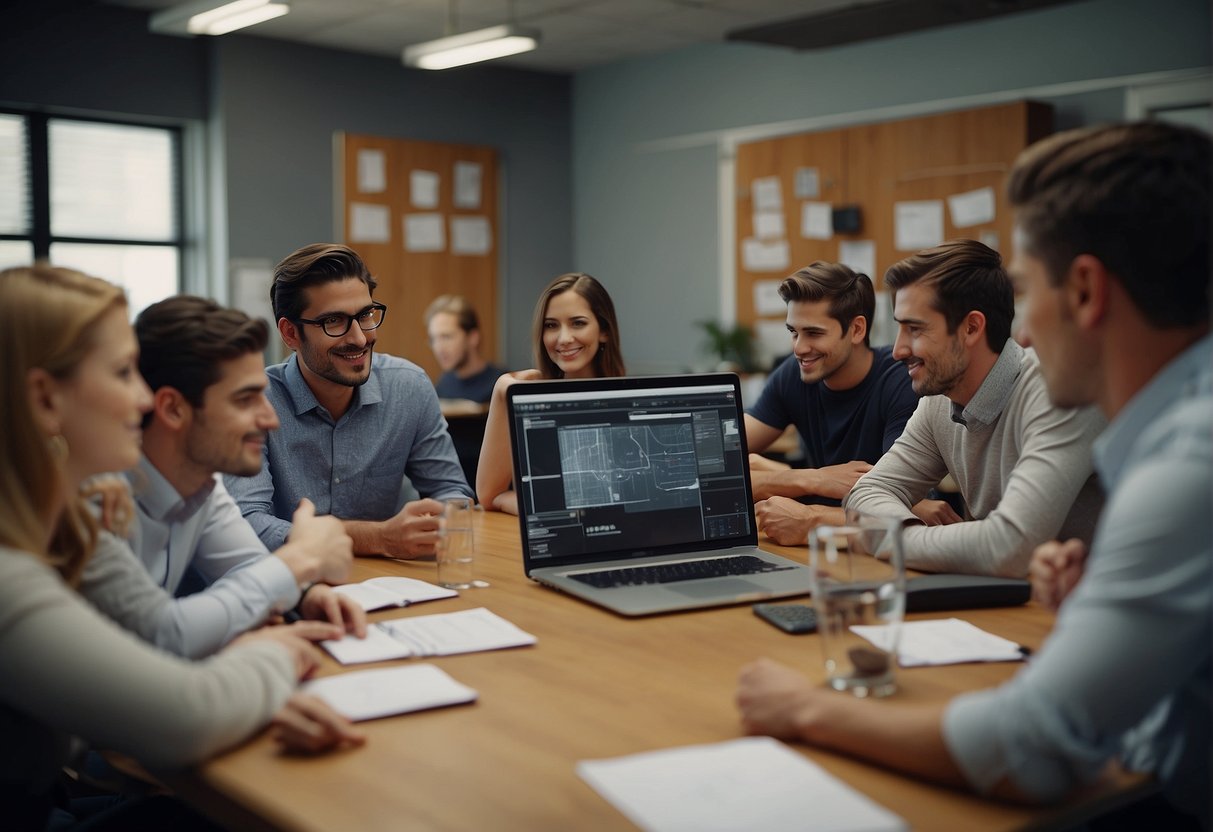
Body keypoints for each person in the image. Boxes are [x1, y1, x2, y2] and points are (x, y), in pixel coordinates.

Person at [737, 121, 1211, 828]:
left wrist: (804, 707)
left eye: (1027, 289)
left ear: (1083, 291)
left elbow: (1031, 750)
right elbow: (873, 492)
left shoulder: (1186, 466)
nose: (1020, 333)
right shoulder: (1170, 431)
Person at [0, 266, 364, 831]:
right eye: (123, 373)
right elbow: (182, 707)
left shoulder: (68, 512)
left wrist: (295, 594)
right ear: (45, 399)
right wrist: (275, 651)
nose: (143, 397)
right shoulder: (16, 566)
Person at [81, 295, 364, 660]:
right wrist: (302, 558)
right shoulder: (96, 496)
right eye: (245, 400)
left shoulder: (201, 486)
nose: (271, 420)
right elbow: (162, 634)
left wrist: (307, 596)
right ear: (172, 409)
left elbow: (247, 567)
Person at [843, 239, 1104, 577]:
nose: (897, 350)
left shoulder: (1058, 394)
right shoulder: (938, 403)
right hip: (1004, 604)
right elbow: (866, 493)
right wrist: (905, 535)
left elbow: (1010, 547)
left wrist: (891, 539)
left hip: (1082, 612)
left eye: (915, 328)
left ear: (971, 327)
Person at [226, 244, 474, 559]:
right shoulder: (256, 404)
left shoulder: (408, 387)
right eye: (334, 321)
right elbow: (247, 526)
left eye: (365, 315)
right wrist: (377, 538)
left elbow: (453, 496)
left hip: (391, 586)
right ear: (290, 333)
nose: (359, 338)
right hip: (293, 588)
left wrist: (437, 520)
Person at [744, 262, 954, 545]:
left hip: (894, 554)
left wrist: (789, 486)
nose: (798, 348)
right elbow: (718, 463)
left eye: (814, 333)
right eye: (793, 332)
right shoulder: (793, 375)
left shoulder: (902, 383)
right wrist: (808, 479)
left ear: (856, 330)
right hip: (830, 546)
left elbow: (897, 510)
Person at [476, 272, 625, 515]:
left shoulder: (633, 402)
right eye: (551, 325)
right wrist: (501, 389)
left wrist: (553, 507)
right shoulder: (527, 397)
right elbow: (489, 496)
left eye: (578, 323)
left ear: (604, 331)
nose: (564, 338)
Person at [425, 294, 505, 403]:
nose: (439, 348)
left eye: (446, 337)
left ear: (473, 338)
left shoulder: (500, 384)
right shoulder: (443, 385)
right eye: (433, 339)